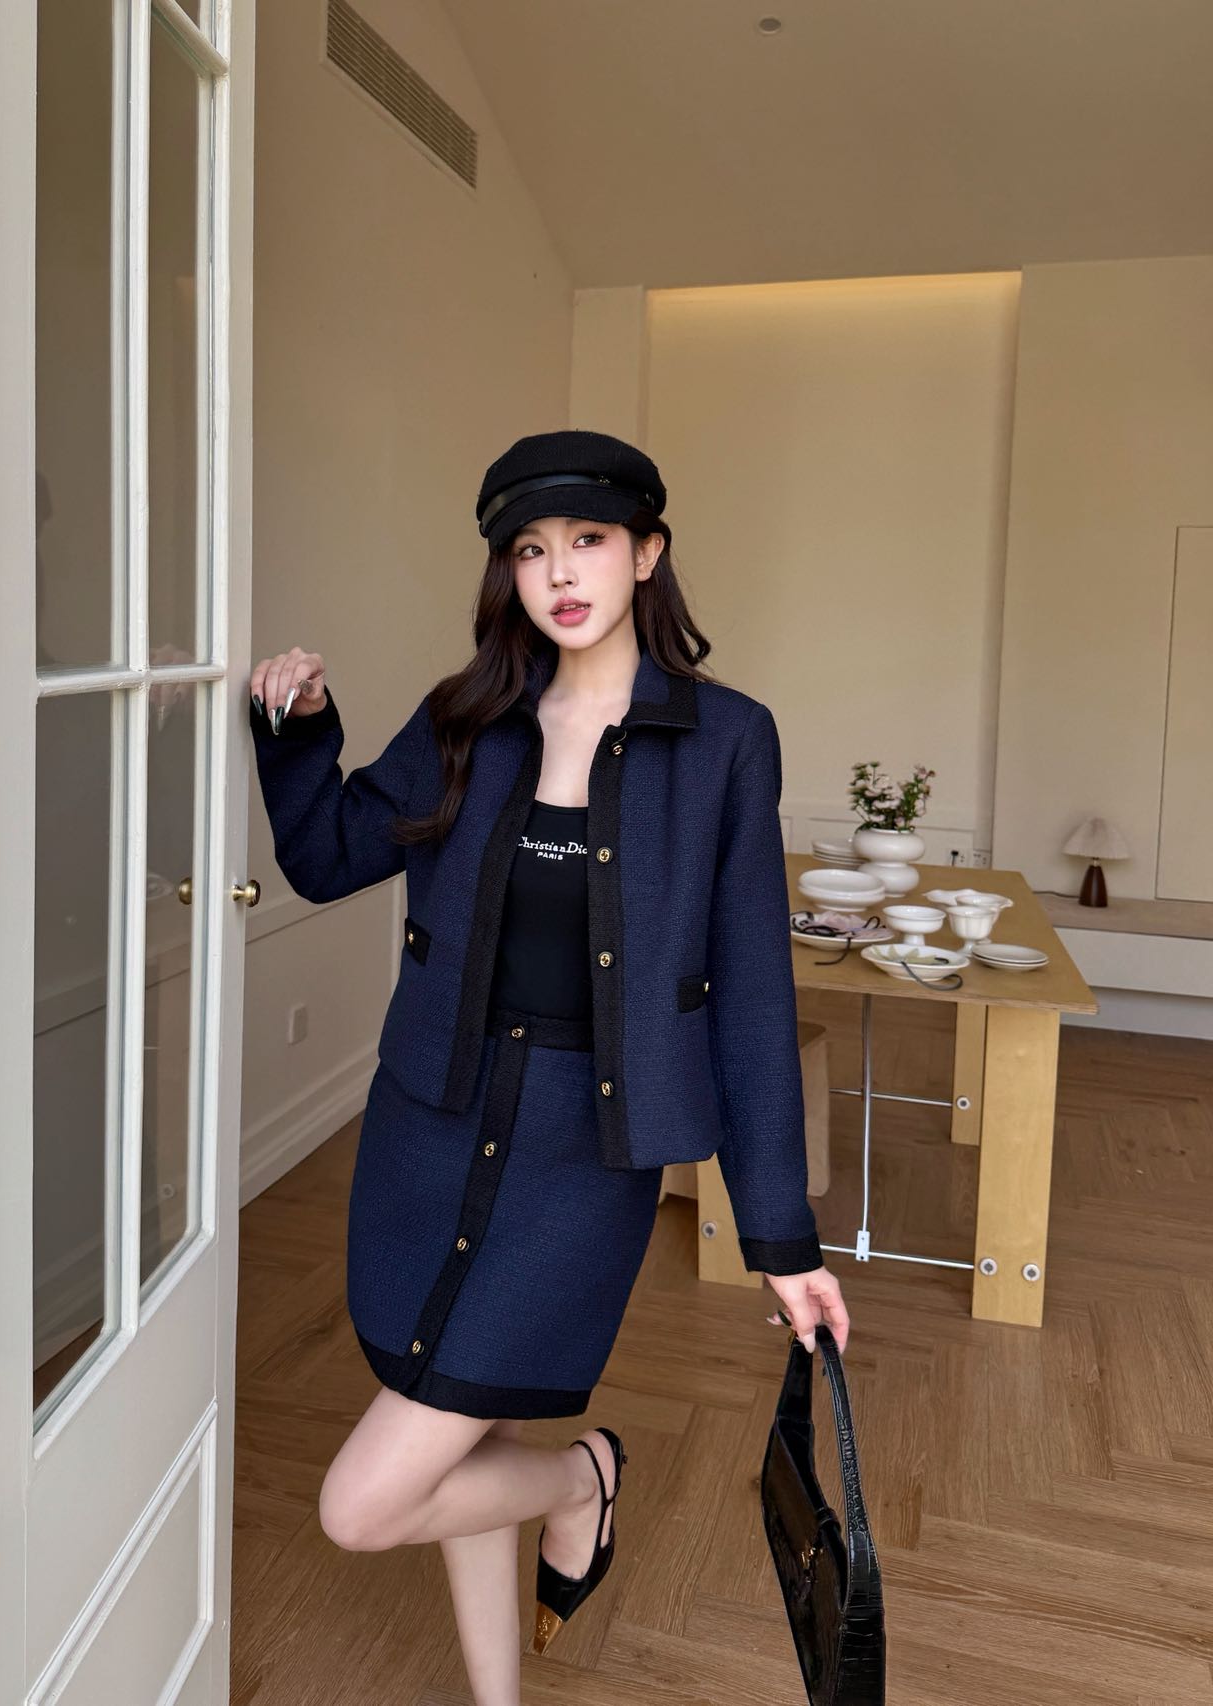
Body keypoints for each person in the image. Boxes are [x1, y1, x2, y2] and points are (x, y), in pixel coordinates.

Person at [247, 428, 849, 1705]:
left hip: (584, 1154)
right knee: (474, 1419)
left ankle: (584, 1478)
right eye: (529, 550)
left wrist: (780, 1237)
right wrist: (298, 731)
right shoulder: (468, 718)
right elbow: (327, 853)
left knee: (363, 1501)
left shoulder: (724, 739)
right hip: (428, 1128)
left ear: (647, 553)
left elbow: (749, 991)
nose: (559, 573)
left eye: (586, 540)